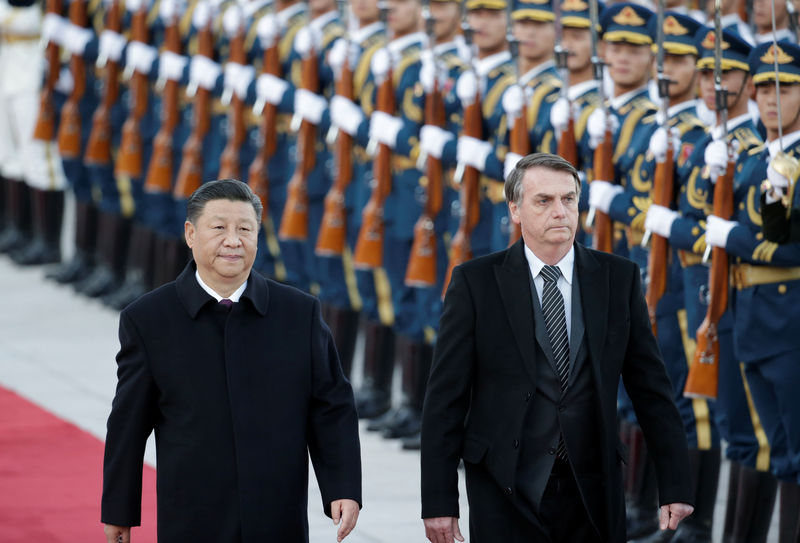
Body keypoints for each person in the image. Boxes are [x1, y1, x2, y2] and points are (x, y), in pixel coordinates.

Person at [420, 152, 693, 543]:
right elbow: (444, 400)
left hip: (593, 487)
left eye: (568, 199)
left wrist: (675, 485)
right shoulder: (474, 284)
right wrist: (439, 501)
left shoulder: (619, 279)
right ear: (515, 210)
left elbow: (652, 390)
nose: (560, 211)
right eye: (543, 201)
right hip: (505, 485)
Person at [101, 179, 362, 542]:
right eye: (219, 228)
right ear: (191, 233)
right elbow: (128, 425)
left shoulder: (298, 313)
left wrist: (343, 487)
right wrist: (119, 510)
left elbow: (331, 406)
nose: (233, 241)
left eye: (245, 229)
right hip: (192, 515)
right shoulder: (148, 320)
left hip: (277, 515)